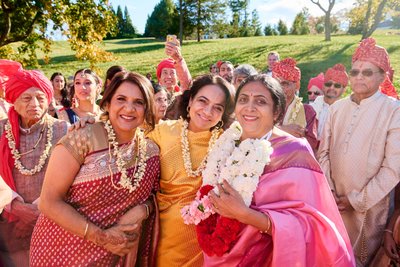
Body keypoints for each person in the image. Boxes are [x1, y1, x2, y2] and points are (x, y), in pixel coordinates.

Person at [200, 74, 354, 266]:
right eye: (243, 99)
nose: (249, 107)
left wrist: (245, 215)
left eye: (260, 101)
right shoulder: (227, 144)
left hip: (268, 257)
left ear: (276, 112)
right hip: (219, 253)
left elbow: (311, 225)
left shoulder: (295, 152)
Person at [30, 72, 160, 266]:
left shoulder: (151, 149)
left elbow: (156, 194)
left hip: (115, 252)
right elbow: (48, 202)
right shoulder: (82, 138)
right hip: (61, 249)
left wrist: (144, 209)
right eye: (121, 99)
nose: (129, 108)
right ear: (107, 104)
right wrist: (102, 238)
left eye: (139, 102)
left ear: (147, 108)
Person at [318, 37, 400, 266]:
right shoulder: (336, 109)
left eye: (368, 72)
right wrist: (330, 194)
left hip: (369, 210)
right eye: (355, 72)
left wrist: (355, 201)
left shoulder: (393, 110)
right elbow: (322, 153)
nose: (359, 77)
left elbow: (393, 169)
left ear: (382, 76)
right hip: (333, 205)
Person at [148, 74, 235, 266]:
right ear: (190, 101)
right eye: (202, 101)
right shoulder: (164, 131)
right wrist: (91, 127)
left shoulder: (230, 144)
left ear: (223, 114)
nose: (207, 111)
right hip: (163, 234)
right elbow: (127, 145)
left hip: (204, 240)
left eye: (217, 108)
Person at [0, 59, 69, 266]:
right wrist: (16, 206)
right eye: (27, 98)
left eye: (40, 98)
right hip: (9, 222)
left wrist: (41, 209)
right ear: (14, 99)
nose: (34, 104)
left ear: (48, 99)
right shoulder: (0, 129)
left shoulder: (63, 129)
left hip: (54, 221)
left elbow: (72, 176)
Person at [272, 58, 318, 151]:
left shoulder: (307, 111)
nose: (279, 88)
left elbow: (312, 144)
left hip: (296, 161)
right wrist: (283, 130)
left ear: (297, 85)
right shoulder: (267, 108)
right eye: (276, 84)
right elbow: (257, 134)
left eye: (285, 84)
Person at [311, 64, 348, 139]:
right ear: (323, 86)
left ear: (344, 90)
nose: (331, 88)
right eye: (328, 84)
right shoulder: (311, 108)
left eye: (337, 86)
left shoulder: (346, 112)